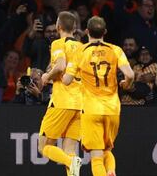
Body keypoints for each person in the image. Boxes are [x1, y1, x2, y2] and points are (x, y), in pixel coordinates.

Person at [62, 16, 134, 176]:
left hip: (91, 109)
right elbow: (130, 74)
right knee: (107, 149)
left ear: (87, 31)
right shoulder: (115, 50)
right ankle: (111, 171)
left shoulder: (80, 52)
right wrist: (126, 84)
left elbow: (66, 81)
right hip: (112, 109)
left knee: (95, 155)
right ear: (105, 32)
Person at [37, 11, 83, 176]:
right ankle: (72, 161)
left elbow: (61, 66)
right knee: (69, 149)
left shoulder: (58, 43)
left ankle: (70, 161)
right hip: (80, 105)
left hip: (62, 101)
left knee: (43, 146)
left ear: (58, 26)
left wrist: (46, 76)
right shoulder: (82, 47)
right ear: (75, 28)